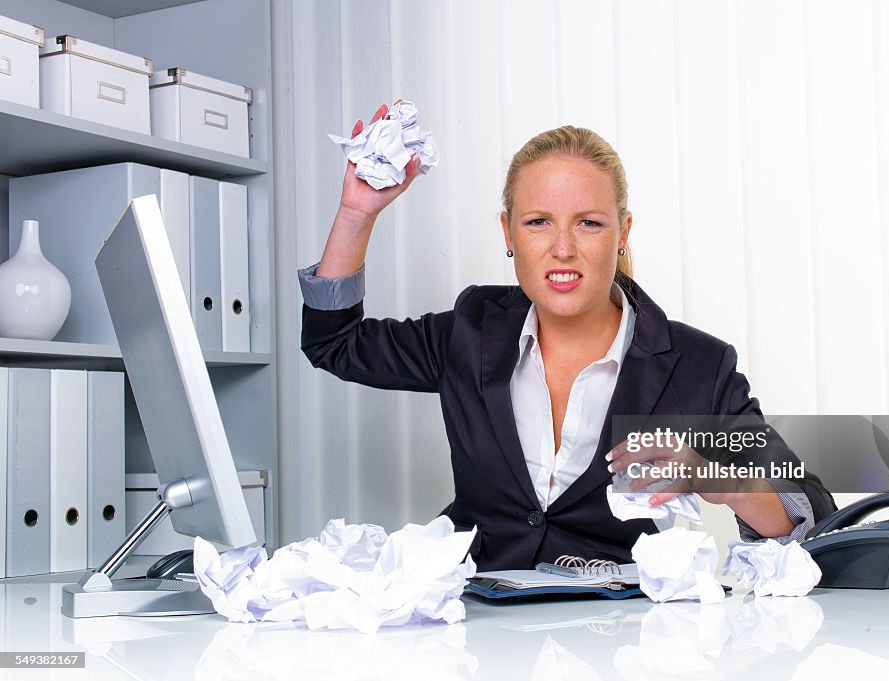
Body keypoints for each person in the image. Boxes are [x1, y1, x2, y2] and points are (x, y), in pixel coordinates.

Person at [299, 104, 836, 570]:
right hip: (476, 631)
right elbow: (334, 343)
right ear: (507, 232)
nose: (562, 249)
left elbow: (809, 510)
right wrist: (356, 213)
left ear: (622, 232)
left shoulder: (696, 367)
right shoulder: (470, 330)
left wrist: (709, 476)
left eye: (588, 223)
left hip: (618, 643)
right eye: (537, 222)